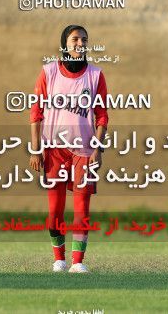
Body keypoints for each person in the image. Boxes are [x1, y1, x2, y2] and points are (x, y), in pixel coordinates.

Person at [29, 25, 108, 273]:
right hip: (54, 149)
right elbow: (36, 113)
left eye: (84, 40)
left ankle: (77, 263)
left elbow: (102, 116)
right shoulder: (49, 72)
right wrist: (35, 149)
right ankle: (59, 258)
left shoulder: (95, 75)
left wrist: (98, 147)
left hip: (83, 150)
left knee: (82, 205)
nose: (80, 43)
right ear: (65, 43)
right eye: (75, 39)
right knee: (55, 208)